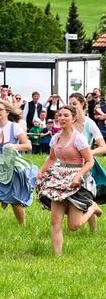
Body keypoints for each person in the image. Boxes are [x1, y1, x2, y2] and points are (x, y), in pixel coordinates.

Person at [36, 105, 102, 255]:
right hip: (58, 179)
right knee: (55, 220)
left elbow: (90, 161)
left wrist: (78, 176)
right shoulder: (55, 137)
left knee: (74, 225)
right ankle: (57, 257)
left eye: (66, 115)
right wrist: (41, 171)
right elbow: (52, 158)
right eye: (59, 115)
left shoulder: (79, 138)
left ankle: (92, 208)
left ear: (74, 119)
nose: (61, 118)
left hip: (76, 179)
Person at [0, 100, 37, 224]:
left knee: (15, 199)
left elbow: (28, 146)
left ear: (7, 112)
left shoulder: (15, 127)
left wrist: (12, 146)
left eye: (0, 110)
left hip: (14, 164)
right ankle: (5, 198)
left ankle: (22, 226)